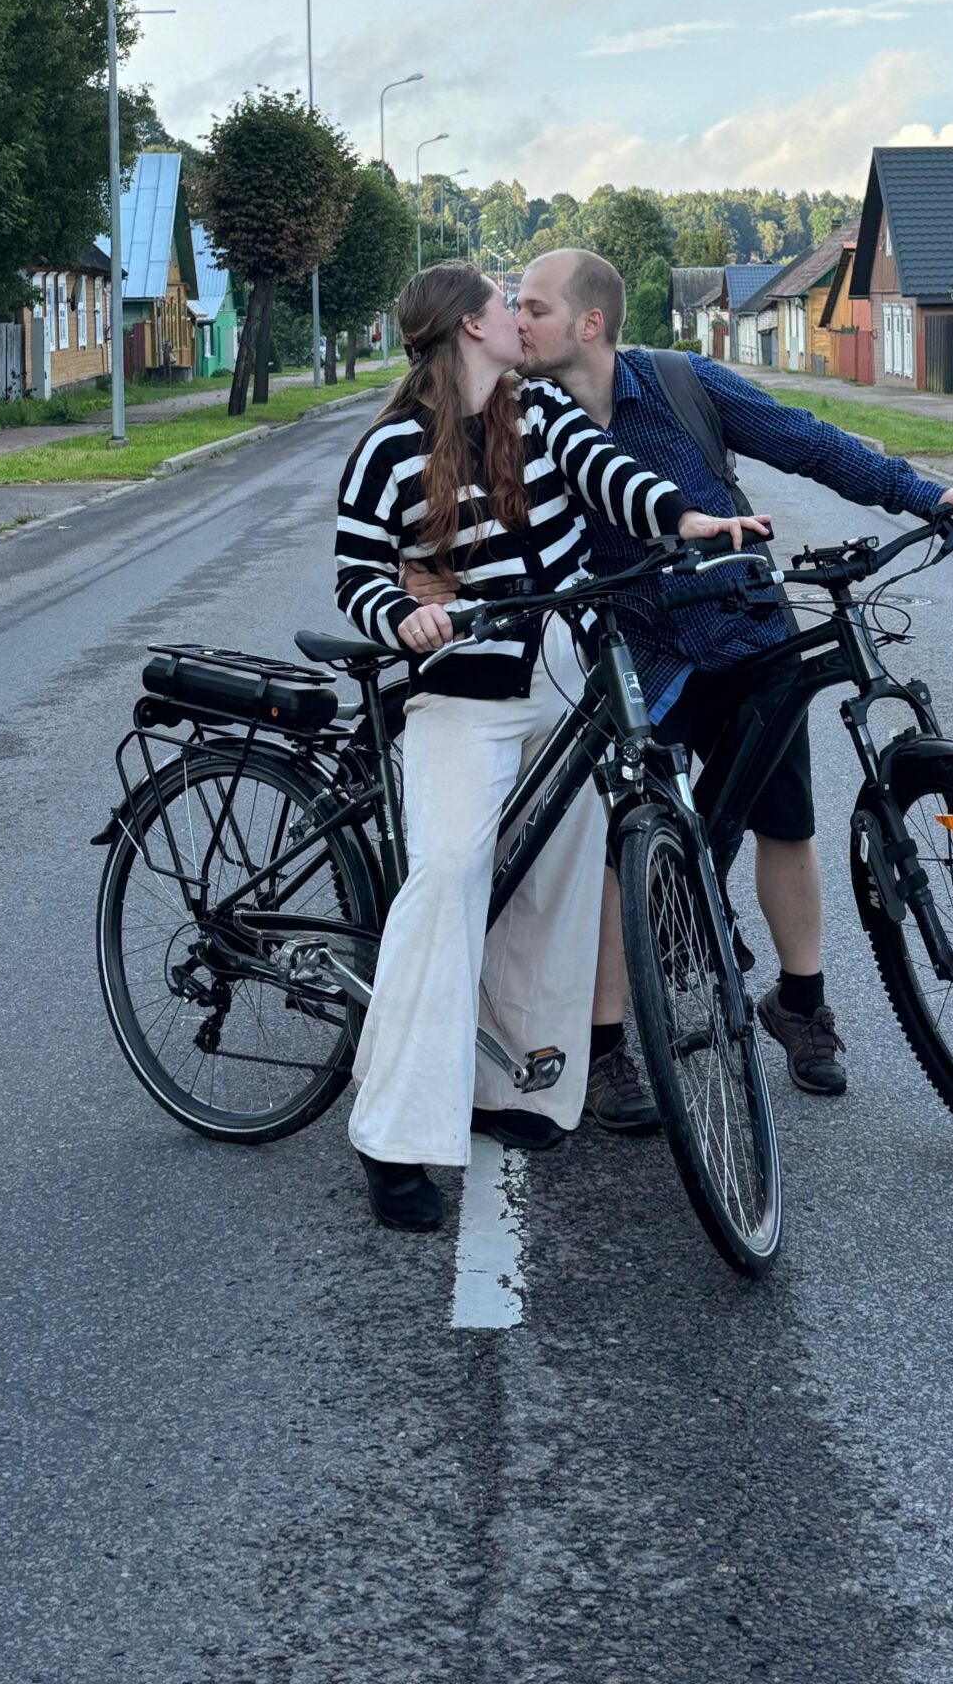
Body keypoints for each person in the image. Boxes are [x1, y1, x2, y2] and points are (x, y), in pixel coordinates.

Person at [508, 249, 953, 1119]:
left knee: (786, 821)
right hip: (636, 652)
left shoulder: (679, 383)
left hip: (743, 628)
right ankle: (606, 1044)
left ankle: (800, 1004)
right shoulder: (528, 417)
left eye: (533, 307)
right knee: (629, 842)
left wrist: (923, 495)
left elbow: (804, 441)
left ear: (589, 323)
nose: (517, 321)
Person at [332, 261, 762, 1233]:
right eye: (501, 304)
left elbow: (613, 479)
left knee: (554, 882)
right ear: (467, 328)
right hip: (465, 694)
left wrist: (689, 518)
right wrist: (402, 613)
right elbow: (355, 569)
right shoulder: (390, 448)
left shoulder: (541, 414)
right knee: (449, 877)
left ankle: (514, 1087)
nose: (515, 317)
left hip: (565, 677)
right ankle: (393, 1136)